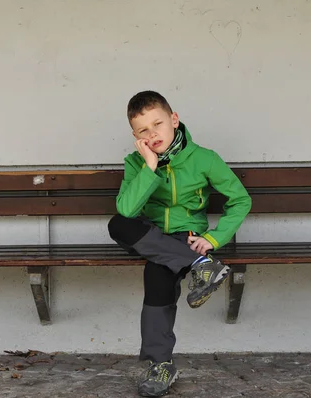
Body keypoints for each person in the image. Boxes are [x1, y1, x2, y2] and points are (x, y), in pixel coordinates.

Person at [108, 90, 252, 397]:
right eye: (143, 130)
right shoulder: (136, 163)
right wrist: (149, 166)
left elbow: (240, 200)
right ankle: (201, 266)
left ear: (174, 120)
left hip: (187, 238)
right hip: (153, 236)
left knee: (156, 274)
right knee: (118, 223)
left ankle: (160, 364)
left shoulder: (204, 159)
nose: (153, 134)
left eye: (157, 124)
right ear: (135, 136)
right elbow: (127, 209)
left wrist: (213, 239)